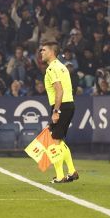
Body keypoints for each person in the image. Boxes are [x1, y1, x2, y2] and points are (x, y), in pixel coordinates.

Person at [40, 39, 79, 184]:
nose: (41, 53)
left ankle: (60, 176)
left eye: (43, 50)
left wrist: (56, 111)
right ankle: (72, 171)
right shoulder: (62, 67)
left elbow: (59, 90)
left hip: (61, 105)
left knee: (54, 142)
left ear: (51, 52)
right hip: (69, 105)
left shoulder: (52, 68)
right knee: (60, 140)